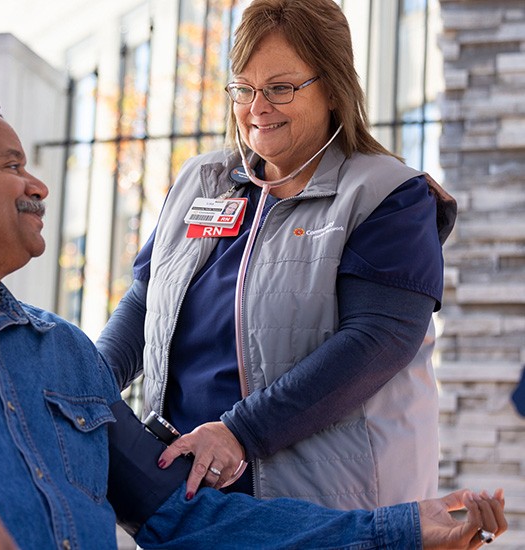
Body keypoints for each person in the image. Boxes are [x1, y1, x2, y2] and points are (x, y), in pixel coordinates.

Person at [0, 98, 505, 550]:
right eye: (11, 165)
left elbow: (194, 521)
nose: (38, 183)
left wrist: (400, 529)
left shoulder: (62, 355)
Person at [98, 0, 458, 509]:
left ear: (333, 88)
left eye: (280, 88)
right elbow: (143, 302)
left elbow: (378, 340)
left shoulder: (387, 195)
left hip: (329, 508)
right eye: (244, 89)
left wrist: (240, 433)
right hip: (187, 495)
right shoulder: (202, 182)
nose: (257, 108)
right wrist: (84, 386)